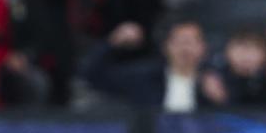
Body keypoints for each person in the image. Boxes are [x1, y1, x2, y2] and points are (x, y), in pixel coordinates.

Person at [83, 20, 220, 113]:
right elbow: (94, 76)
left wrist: (221, 101)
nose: (184, 48)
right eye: (179, 41)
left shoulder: (216, 82)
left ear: (203, 48)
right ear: (166, 47)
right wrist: (113, 42)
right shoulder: (144, 78)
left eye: (190, 42)